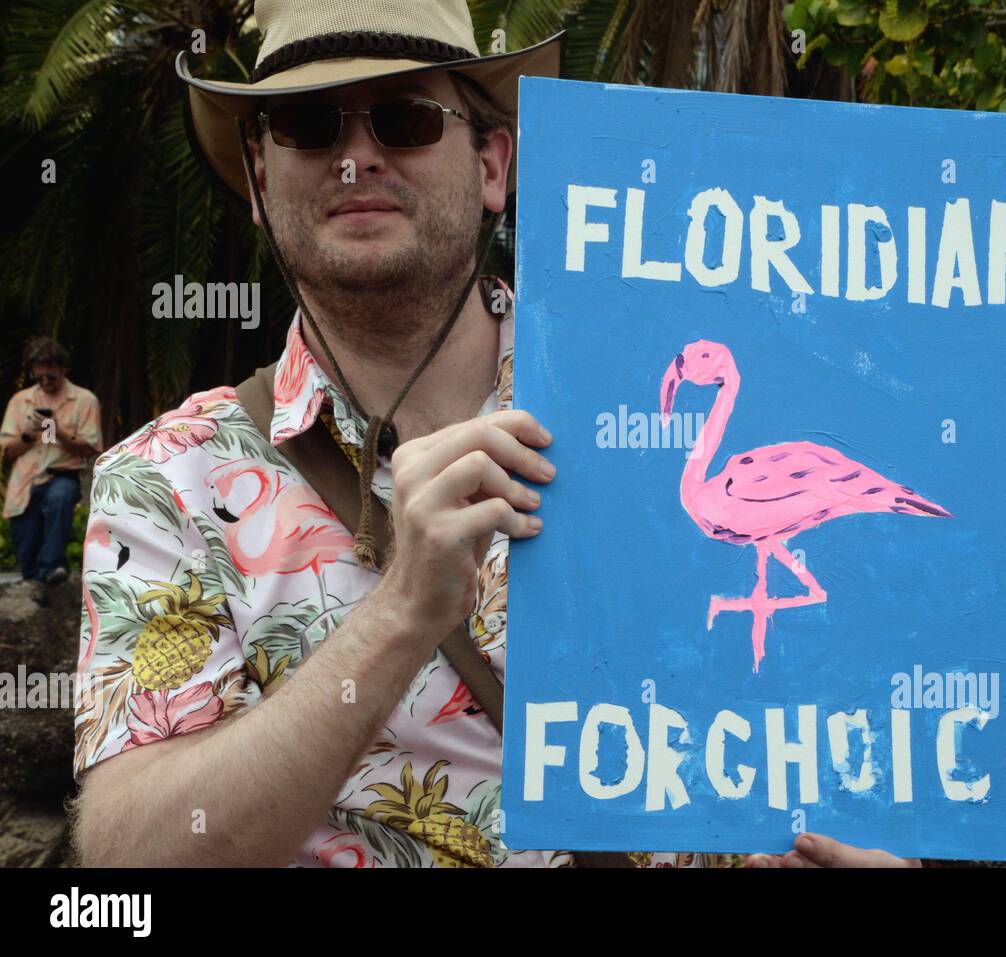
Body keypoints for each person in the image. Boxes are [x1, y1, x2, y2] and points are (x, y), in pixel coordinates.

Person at [70, 0, 919, 869]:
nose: (356, 157)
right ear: (258, 177)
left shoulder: (649, 424)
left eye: (404, 120)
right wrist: (402, 611)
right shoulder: (169, 477)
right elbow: (128, 858)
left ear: (492, 165)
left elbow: (822, 720)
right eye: (306, 125)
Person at [1, 336, 102, 589]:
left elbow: (91, 446)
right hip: (25, 480)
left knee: (59, 497)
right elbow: (7, 451)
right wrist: (27, 434)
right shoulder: (20, 401)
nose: (45, 382)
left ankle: (53, 565)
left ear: (62, 369)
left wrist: (58, 430)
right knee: (27, 551)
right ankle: (37, 584)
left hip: (61, 474)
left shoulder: (84, 400)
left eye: (51, 377)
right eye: (40, 377)